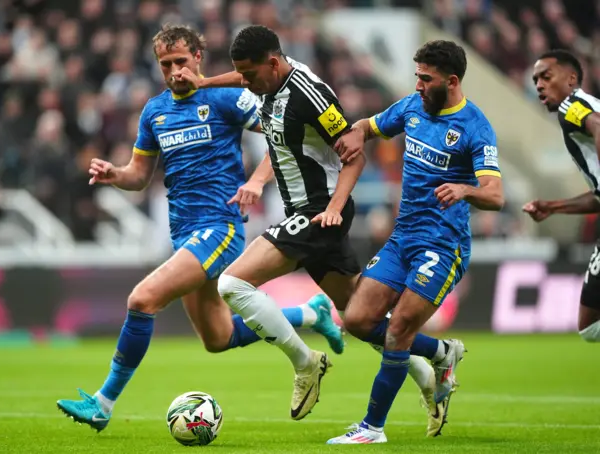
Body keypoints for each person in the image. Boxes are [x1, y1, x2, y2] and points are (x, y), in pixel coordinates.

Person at [55, 24, 344, 432]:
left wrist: (257, 181)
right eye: (165, 64)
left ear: (198, 59)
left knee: (142, 299)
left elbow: (285, 136)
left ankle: (103, 403)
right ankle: (309, 315)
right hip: (183, 232)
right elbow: (139, 175)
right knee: (217, 338)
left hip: (219, 227)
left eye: (180, 61)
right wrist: (114, 174)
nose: (174, 71)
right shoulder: (155, 110)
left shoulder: (227, 97)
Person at [177, 26, 461, 432]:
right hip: (307, 213)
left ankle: (305, 362)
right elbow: (255, 94)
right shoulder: (267, 84)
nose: (246, 82)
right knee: (361, 319)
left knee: (231, 284)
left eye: (250, 74)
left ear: (273, 63)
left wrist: (334, 207)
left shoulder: (310, 95)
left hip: (318, 212)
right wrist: (204, 82)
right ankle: (436, 358)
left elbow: (354, 155)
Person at [326, 40, 505, 444]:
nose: (419, 85)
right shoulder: (411, 108)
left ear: (452, 81)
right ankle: (442, 353)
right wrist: (356, 135)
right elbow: (370, 126)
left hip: (442, 247)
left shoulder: (475, 127)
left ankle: (372, 428)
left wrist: (464, 189)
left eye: (427, 79)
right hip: (402, 237)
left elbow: (495, 194)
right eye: (417, 77)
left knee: (398, 331)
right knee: (355, 319)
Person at [523, 49, 600, 343]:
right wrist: (554, 206)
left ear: (571, 79)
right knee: (589, 326)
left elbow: (598, 125)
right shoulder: (580, 109)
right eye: (535, 80)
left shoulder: (572, 105)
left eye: (546, 76)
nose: (539, 84)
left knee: (589, 325)